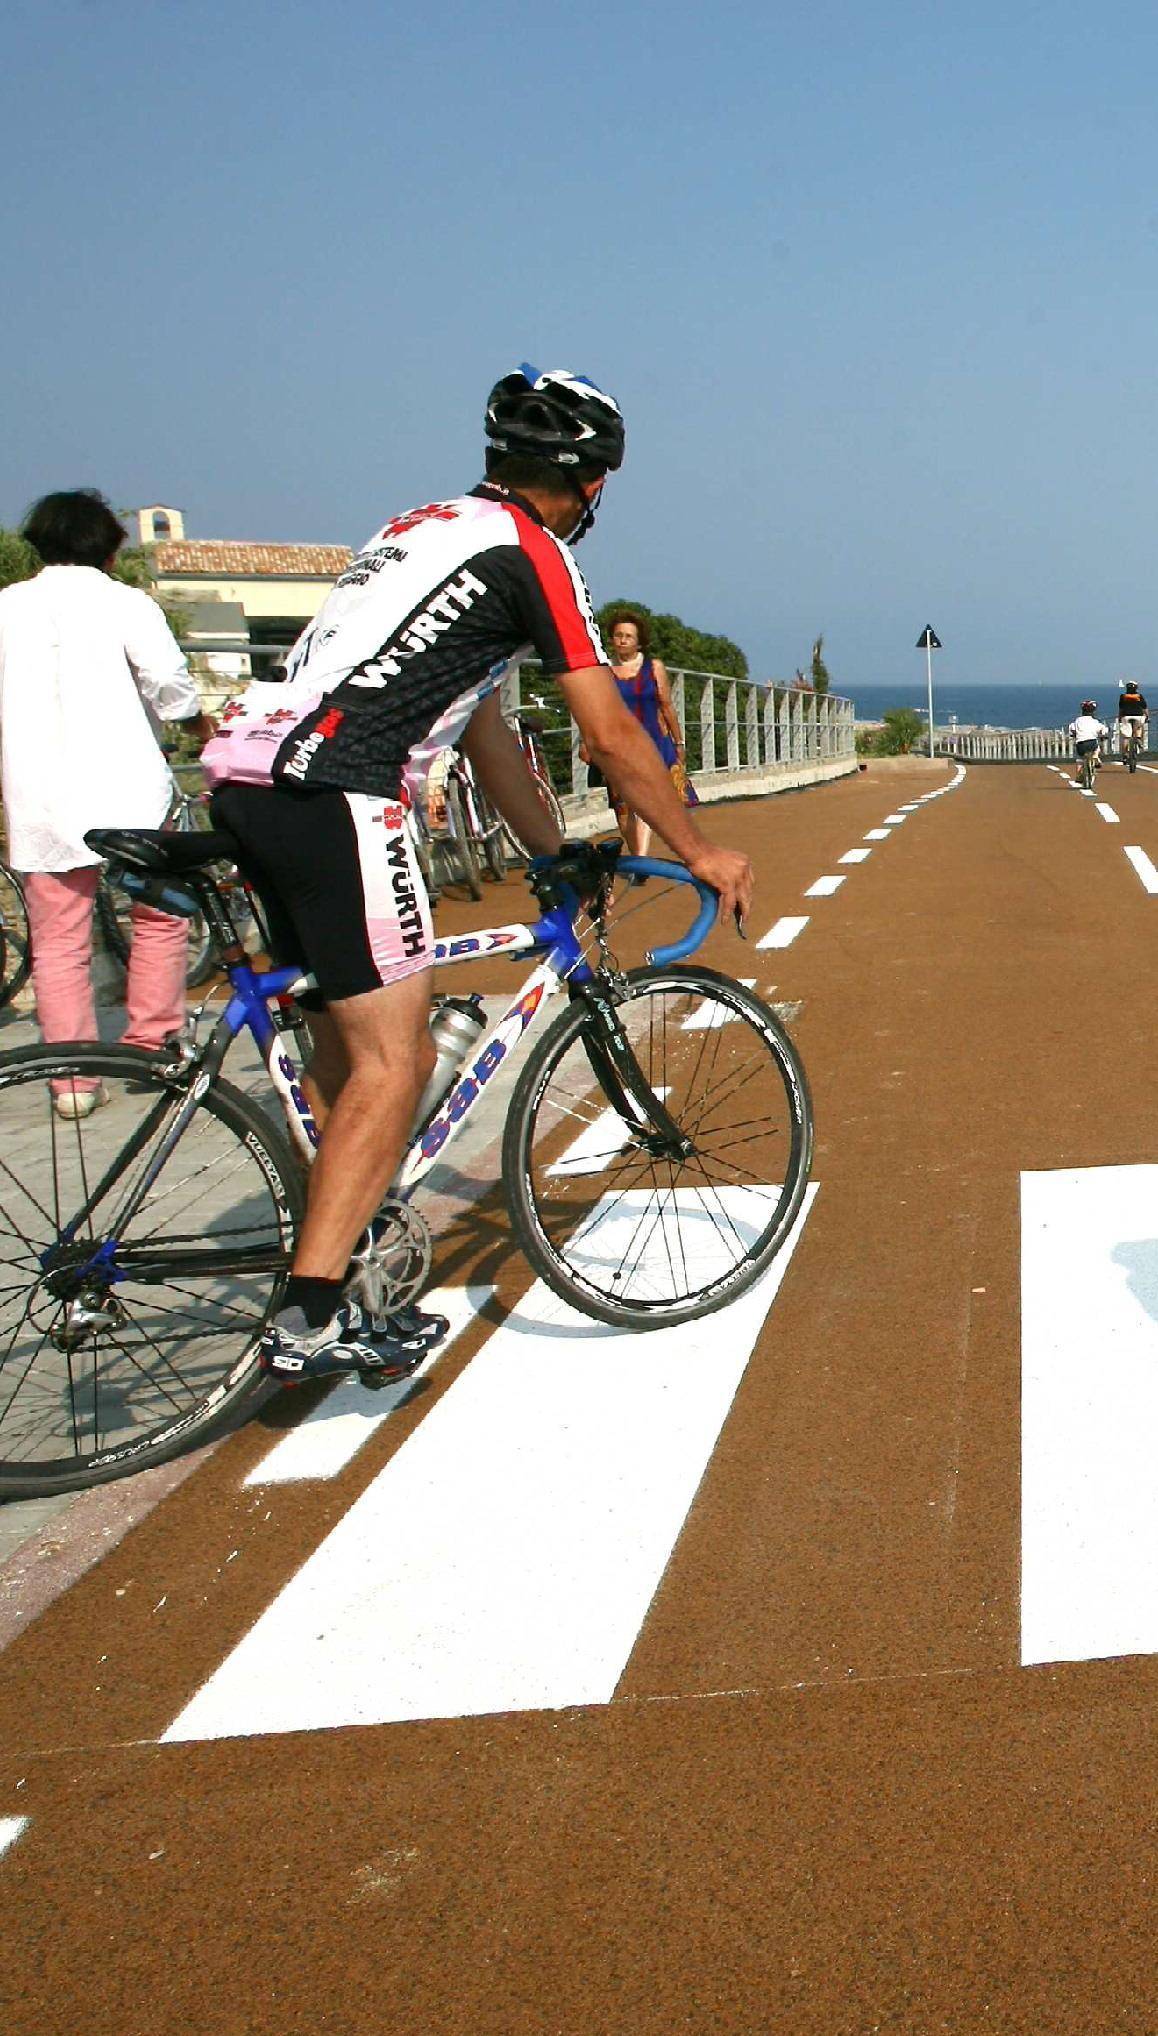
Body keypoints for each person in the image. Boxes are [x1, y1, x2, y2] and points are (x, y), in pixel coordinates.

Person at [201, 363, 754, 1386]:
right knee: (393, 1063)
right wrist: (698, 848)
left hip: (249, 776)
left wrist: (551, 854)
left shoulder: (418, 528)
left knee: (343, 1048)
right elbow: (605, 727)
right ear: (590, 483)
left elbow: (487, 731)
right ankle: (313, 1313)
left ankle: (344, 1252)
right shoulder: (531, 553)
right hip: (341, 793)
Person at [0, 490, 216, 1118]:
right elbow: (170, 687)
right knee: (159, 916)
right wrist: (197, 726)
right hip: (128, 792)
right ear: (112, 549)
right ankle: (151, 1043)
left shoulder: (7, 607)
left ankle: (71, 1078)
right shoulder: (128, 604)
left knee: (59, 937)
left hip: (40, 795)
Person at [603, 610, 697, 856]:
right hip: (617, 744)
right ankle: (637, 855)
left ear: (639, 641)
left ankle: (641, 860)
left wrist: (678, 741)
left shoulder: (653, 668)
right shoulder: (603, 671)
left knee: (644, 800)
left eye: (628, 636)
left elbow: (666, 704)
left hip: (652, 741)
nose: (623, 640)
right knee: (623, 809)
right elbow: (596, 709)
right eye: (618, 635)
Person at [1068, 698, 1107, 782]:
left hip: (1080, 744)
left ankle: (1079, 775)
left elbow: (1072, 727)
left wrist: (1074, 733)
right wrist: (1103, 735)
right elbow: (1103, 729)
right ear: (1093, 711)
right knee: (1096, 748)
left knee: (1079, 759)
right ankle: (1095, 757)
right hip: (1092, 743)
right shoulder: (1095, 721)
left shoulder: (1078, 720)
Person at [1117, 680, 1148, 760]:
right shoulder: (1139, 696)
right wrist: (1147, 716)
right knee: (1139, 727)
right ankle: (1138, 738)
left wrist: (1120, 717)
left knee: (1126, 737)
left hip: (1126, 716)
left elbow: (1121, 708)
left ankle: (1125, 754)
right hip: (1139, 716)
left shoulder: (1123, 696)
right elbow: (1144, 708)